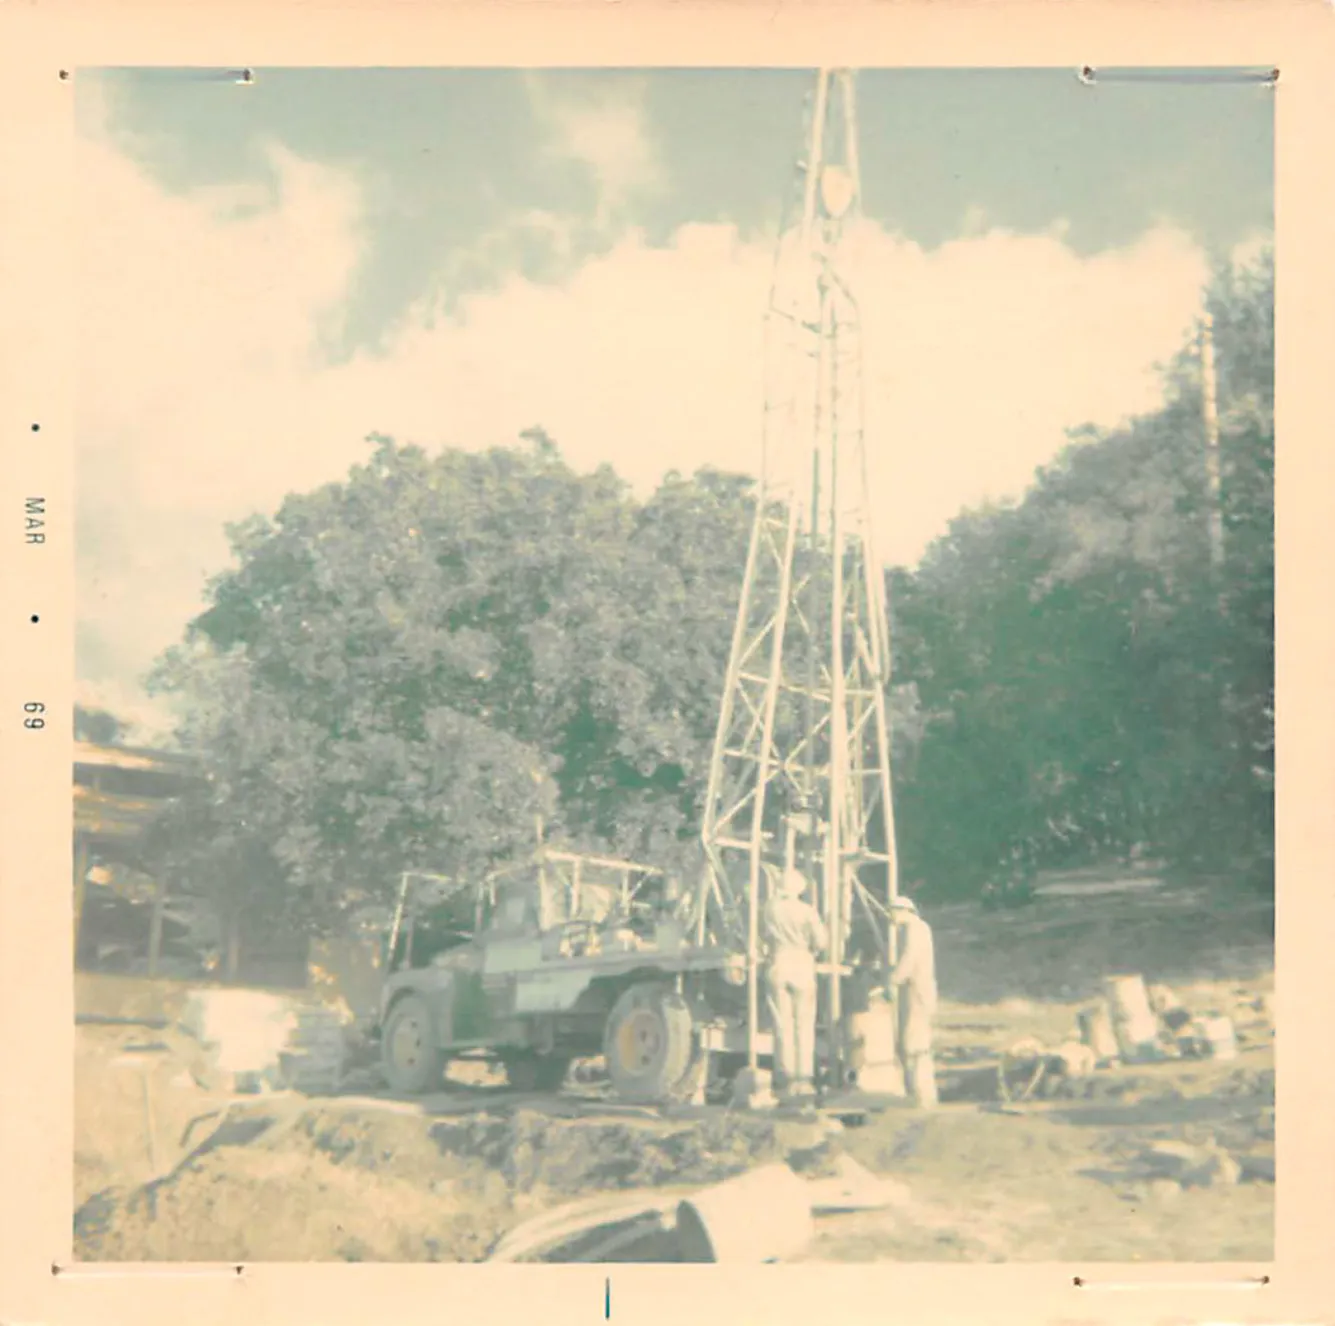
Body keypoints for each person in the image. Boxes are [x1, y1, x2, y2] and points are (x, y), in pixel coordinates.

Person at [762, 865, 827, 1099]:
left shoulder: (770, 909)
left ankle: (785, 1077)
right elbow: (821, 942)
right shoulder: (807, 911)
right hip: (802, 963)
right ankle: (803, 1079)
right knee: (804, 1025)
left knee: (782, 1025)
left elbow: (762, 935)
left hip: (778, 962)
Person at [888, 895, 938, 1108]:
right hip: (915, 990)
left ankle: (921, 1095)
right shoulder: (915, 929)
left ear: (904, 911)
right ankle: (919, 1093)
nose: (891, 916)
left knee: (915, 1043)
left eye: (893, 911)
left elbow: (909, 960)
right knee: (913, 1042)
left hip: (918, 992)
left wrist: (892, 980)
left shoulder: (916, 929)